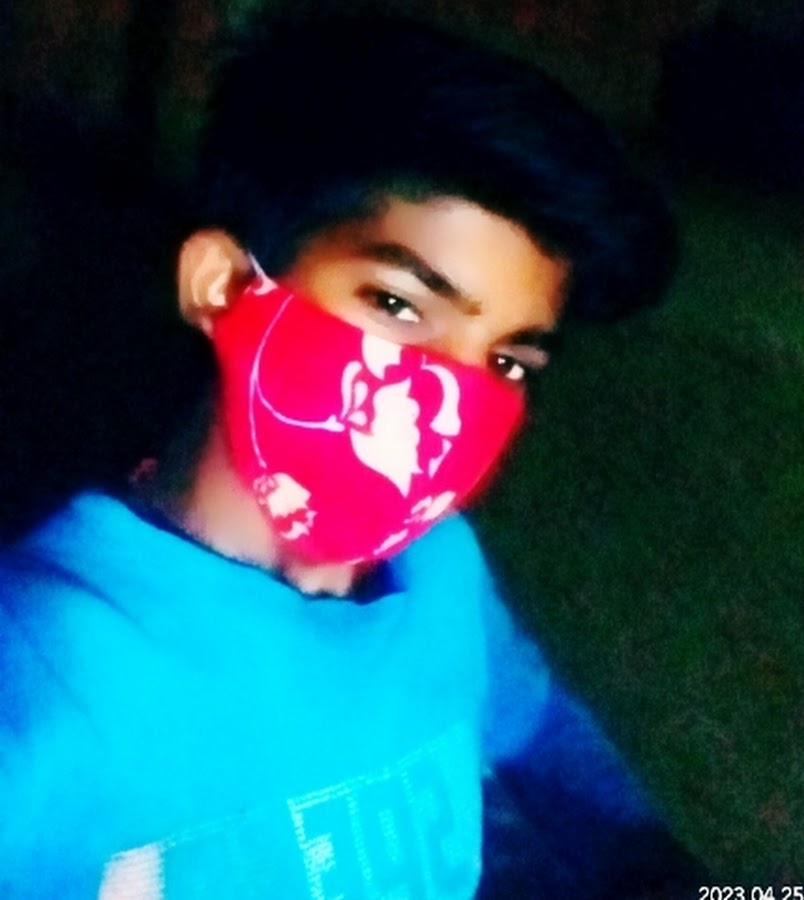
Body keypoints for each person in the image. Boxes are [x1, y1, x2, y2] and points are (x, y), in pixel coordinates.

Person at [0, 12, 702, 898]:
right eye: (401, 307)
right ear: (221, 285)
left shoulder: (439, 566)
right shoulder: (39, 680)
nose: (452, 401)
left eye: (507, 361)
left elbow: (533, 728)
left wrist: (659, 867)